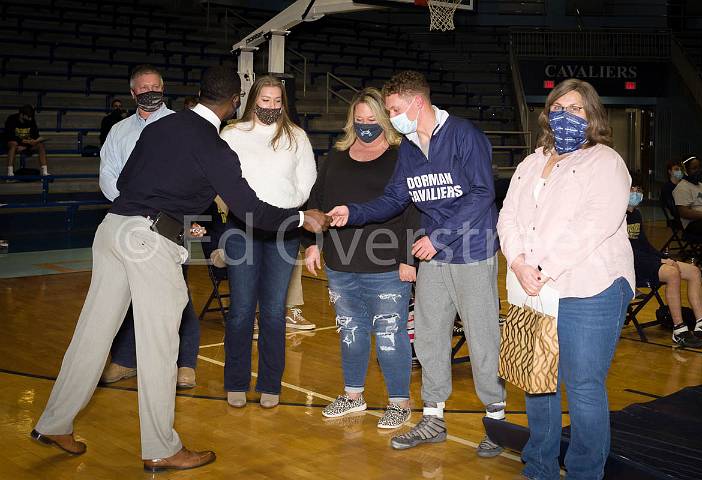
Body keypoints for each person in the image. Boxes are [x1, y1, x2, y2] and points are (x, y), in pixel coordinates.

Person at [31, 66, 330, 472]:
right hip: (149, 239)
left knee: (92, 333)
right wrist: (300, 220)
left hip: (112, 230)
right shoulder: (213, 146)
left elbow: (128, 179)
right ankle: (161, 446)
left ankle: (55, 421)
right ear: (234, 103)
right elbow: (250, 210)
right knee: (160, 346)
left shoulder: (158, 128)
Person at [327, 71, 505, 456]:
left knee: (482, 338)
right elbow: (395, 198)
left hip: (472, 250)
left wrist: (439, 237)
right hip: (434, 254)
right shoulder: (409, 148)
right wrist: (353, 212)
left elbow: (482, 193)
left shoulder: (462, 135)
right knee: (428, 336)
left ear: (417, 103)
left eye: (393, 109)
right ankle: (434, 418)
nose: (390, 117)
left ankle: (497, 422)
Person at [497, 78, 635, 480]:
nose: (566, 116)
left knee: (583, 386)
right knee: (538, 381)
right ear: (546, 116)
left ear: (592, 115)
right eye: (558, 108)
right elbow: (508, 217)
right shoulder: (530, 162)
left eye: (576, 109)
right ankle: (538, 466)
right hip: (532, 285)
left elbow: (593, 224)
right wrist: (519, 263)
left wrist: (544, 268)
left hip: (590, 286)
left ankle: (584, 472)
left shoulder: (606, 162)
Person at [305, 87, 420, 429]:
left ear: (385, 120)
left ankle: (400, 402)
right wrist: (313, 243)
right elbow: (317, 203)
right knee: (350, 332)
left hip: (386, 264)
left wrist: (408, 258)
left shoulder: (403, 156)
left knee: (389, 335)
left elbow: (413, 210)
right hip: (341, 263)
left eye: (372, 119)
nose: (366, 125)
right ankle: (353, 396)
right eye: (359, 119)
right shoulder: (335, 158)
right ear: (351, 121)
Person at [98, 65, 200, 390]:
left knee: (176, 296)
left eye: (155, 86)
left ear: (163, 87)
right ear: (133, 94)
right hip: (127, 222)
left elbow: (192, 176)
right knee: (126, 294)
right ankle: (126, 361)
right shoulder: (119, 132)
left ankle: (185, 364)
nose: (149, 91)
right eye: (143, 88)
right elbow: (107, 175)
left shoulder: (181, 127)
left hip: (168, 222)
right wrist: (133, 206)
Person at [219, 75, 317, 409]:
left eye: (277, 102)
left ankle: (270, 384)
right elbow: (223, 181)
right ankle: (235, 381)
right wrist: (252, 210)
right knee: (242, 309)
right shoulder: (232, 134)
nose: (272, 107)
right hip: (240, 230)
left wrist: (278, 211)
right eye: (265, 101)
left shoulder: (297, 137)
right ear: (252, 101)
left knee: (274, 311)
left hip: (284, 231)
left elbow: (307, 184)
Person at [627, 179, 702, 347]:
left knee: (694, 271)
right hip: (631, 265)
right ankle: (679, 329)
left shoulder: (636, 215)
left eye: (639, 189)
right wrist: (660, 260)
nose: (636, 192)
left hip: (647, 261)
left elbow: (644, 245)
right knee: (672, 273)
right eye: (632, 188)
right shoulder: (617, 217)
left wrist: (663, 256)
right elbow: (628, 251)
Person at [672, 156, 702, 238]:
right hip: (694, 224)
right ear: (685, 171)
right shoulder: (682, 187)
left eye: (699, 167)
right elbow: (684, 213)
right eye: (694, 168)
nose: (698, 171)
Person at [4, 104, 48, 177]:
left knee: (41, 145)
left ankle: (44, 172)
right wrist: (22, 142)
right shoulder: (11, 119)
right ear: (21, 115)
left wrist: (28, 144)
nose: (30, 119)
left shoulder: (31, 120)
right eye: (28, 117)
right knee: (13, 144)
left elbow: (35, 135)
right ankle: (10, 173)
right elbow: (9, 135)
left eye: (31, 117)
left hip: (27, 144)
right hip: (15, 143)